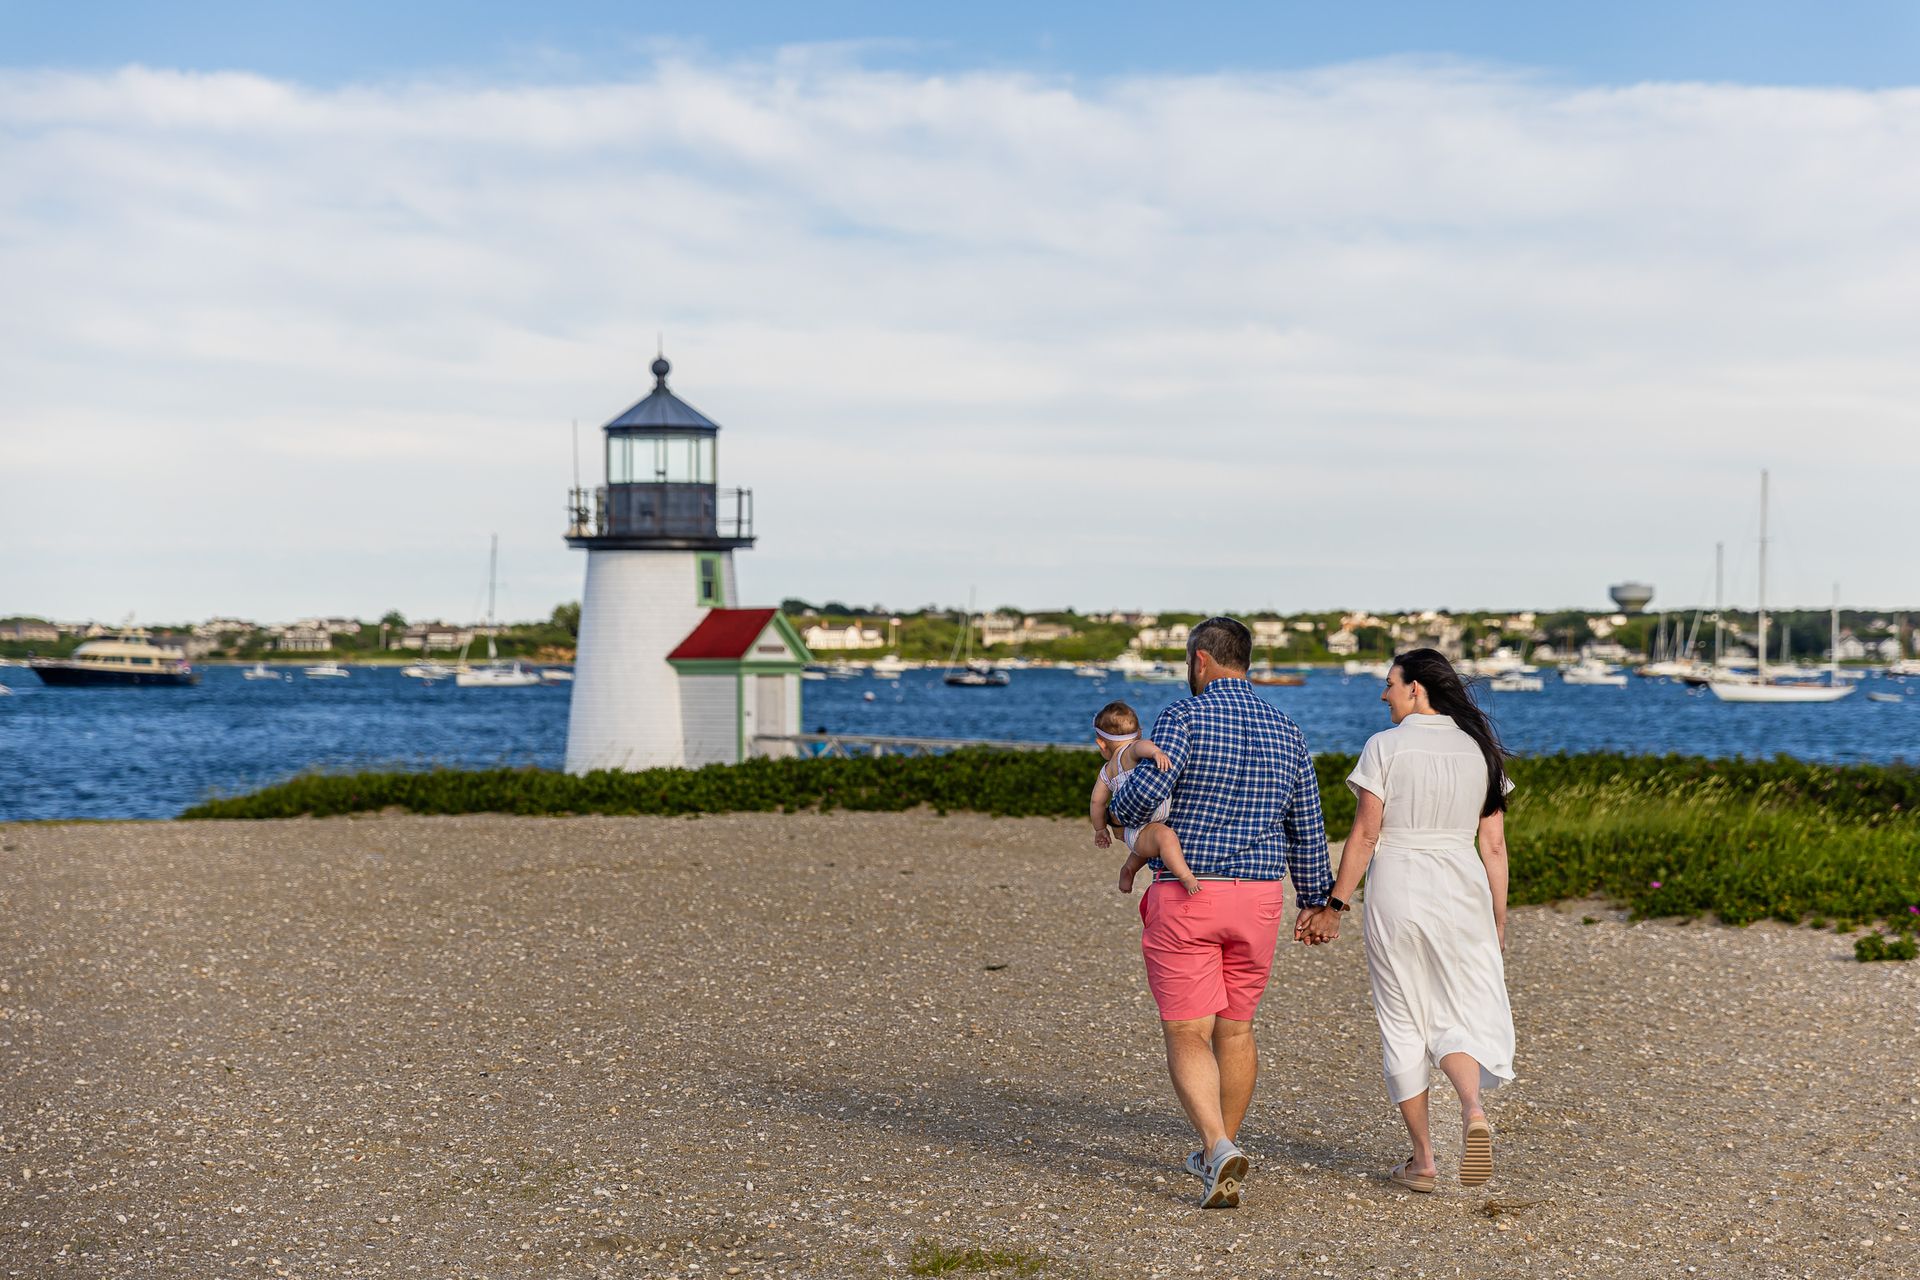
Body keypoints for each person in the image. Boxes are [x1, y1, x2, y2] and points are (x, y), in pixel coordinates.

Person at [1106, 617, 1332, 1210]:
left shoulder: (1184, 715)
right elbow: (1307, 825)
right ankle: (1218, 1151)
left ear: (1200, 659)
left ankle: (1216, 1145)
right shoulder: (1288, 728)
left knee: (1186, 1030)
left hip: (1189, 893)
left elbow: (1145, 794)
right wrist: (1316, 900)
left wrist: (1117, 787)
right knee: (1235, 1028)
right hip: (1259, 897)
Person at [1296, 648, 1516, 1193]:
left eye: (1390, 684)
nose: (1383, 694)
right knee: (1454, 1013)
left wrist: (1334, 906)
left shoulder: (1385, 747)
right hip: (1462, 889)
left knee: (1402, 1020)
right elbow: (1494, 847)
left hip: (1399, 885)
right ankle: (1472, 1110)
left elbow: (1366, 836)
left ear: (1416, 689)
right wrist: (1498, 919)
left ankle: (1423, 1161)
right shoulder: (1481, 751)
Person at [1087, 700, 1201, 897]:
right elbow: (1142, 747)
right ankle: (1186, 877)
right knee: (1165, 837)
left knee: (1150, 844)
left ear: (1101, 743)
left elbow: (1097, 802)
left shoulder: (1106, 771)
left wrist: (1100, 829)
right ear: (1139, 732)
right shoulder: (1131, 750)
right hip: (1142, 826)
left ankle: (1128, 869)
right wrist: (1156, 752)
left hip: (1132, 829)